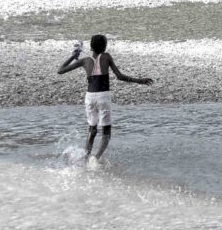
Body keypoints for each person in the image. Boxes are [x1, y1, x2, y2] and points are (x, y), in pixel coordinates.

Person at [57, 34, 153, 163]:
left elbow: (61, 70)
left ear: (91, 47)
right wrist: (139, 81)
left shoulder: (85, 60)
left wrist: (73, 57)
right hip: (103, 97)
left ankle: (85, 157)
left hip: (89, 97)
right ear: (105, 46)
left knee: (92, 129)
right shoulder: (106, 57)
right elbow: (119, 76)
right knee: (106, 131)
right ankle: (95, 159)